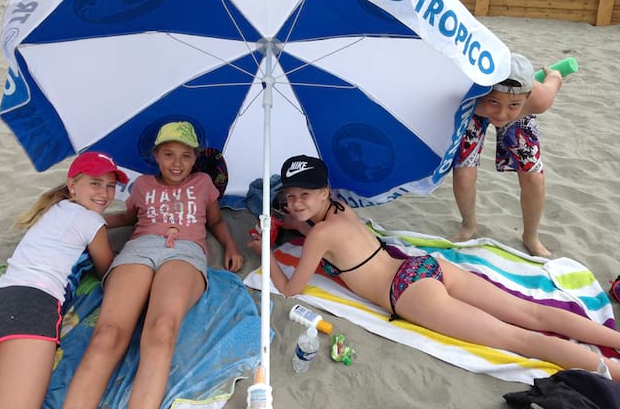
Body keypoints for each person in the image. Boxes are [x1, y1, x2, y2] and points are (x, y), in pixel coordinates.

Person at [252, 154, 620, 381]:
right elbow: (315, 227)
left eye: (304, 195)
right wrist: (293, 223)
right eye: (290, 197)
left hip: (407, 294)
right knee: (531, 313)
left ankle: (614, 372)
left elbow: (290, 289)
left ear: (323, 192)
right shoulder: (339, 212)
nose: (296, 203)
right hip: (423, 267)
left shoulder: (319, 237)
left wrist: (264, 252)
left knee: (520, 340)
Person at [64, 121, 244, 409]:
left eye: (186, 155)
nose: (177, 163)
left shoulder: (203, 184)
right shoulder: (143, 185)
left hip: (184, 252)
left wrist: (232, 246)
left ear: (195, 158)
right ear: (156, 156)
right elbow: (128, 219)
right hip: (139, 249)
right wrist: (85, 219)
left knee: (162, 330)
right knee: (107, 334)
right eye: (169, 154)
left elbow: (215, 221)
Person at [0, 152, 127, 408]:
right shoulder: (91, 221)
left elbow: (93, 222)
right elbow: (108, 271)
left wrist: (126, 219)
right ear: (72, 185)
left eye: (111, 186)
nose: (104, 192)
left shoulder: (55, 208)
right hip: (30, 308)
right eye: (95, 183)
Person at [452, 53, 563, 257]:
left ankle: (531, 237)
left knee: (533, 177)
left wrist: (553, 73)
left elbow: (555, 81)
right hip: (474, 110)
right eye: (494, 102)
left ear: (527, 97)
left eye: (512, 105)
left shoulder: (538, 100)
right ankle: (469, 225)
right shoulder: (467, 95)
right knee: (463, 174)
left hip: (521, 113)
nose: (501, 114)